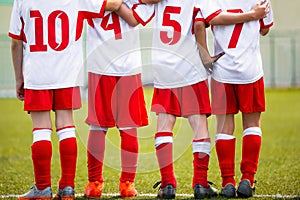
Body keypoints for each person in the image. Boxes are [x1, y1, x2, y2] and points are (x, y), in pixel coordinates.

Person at [132, 0, 269, 199]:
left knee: (165, 122)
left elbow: (138, 13)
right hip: (192, 65)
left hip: (164, 64)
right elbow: (199, 25)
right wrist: (205, 57)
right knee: (200, 125)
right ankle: (200, 182)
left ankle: (168, 183)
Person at [9, 0, 122, 199]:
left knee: (41, 130)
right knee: (66, 127)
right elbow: (112, 4)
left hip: (37, 74)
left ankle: (42, 188)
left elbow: (16, 43)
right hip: (67, 75)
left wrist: (19, 78)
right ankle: (67, 187)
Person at [82, 0, 154, 198]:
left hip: (100, 65)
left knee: (98, 126)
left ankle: (94, 183)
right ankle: (127, 184)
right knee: (128, 127)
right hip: (127, 66)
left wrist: (115, 4)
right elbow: (134, 18)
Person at [207, 0, 273, 198]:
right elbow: (265, 29)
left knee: (224, 127)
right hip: (250, 69)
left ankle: (228, 181)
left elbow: (209, 21)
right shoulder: (261, 0)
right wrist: (251, 16)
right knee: (252, 124)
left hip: (222, 69)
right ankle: (248, 179)